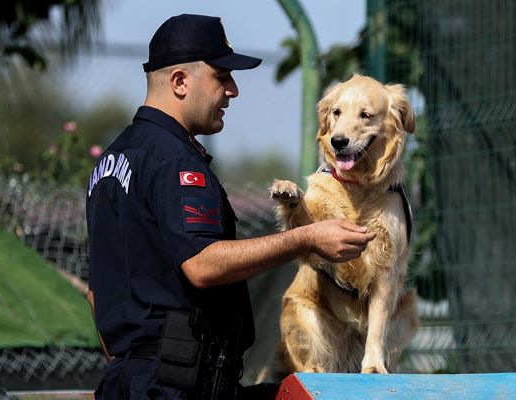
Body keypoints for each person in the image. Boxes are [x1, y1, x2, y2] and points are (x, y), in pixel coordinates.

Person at [85, 13, 376, 400]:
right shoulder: (174, 161)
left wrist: (133, 365)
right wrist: (306, 238)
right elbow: (203, 265)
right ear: (180, 81)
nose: (233, 90)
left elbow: (96, 294)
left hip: (132, 380)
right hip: (176, 384)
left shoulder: (112, 160)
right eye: (222, 76)